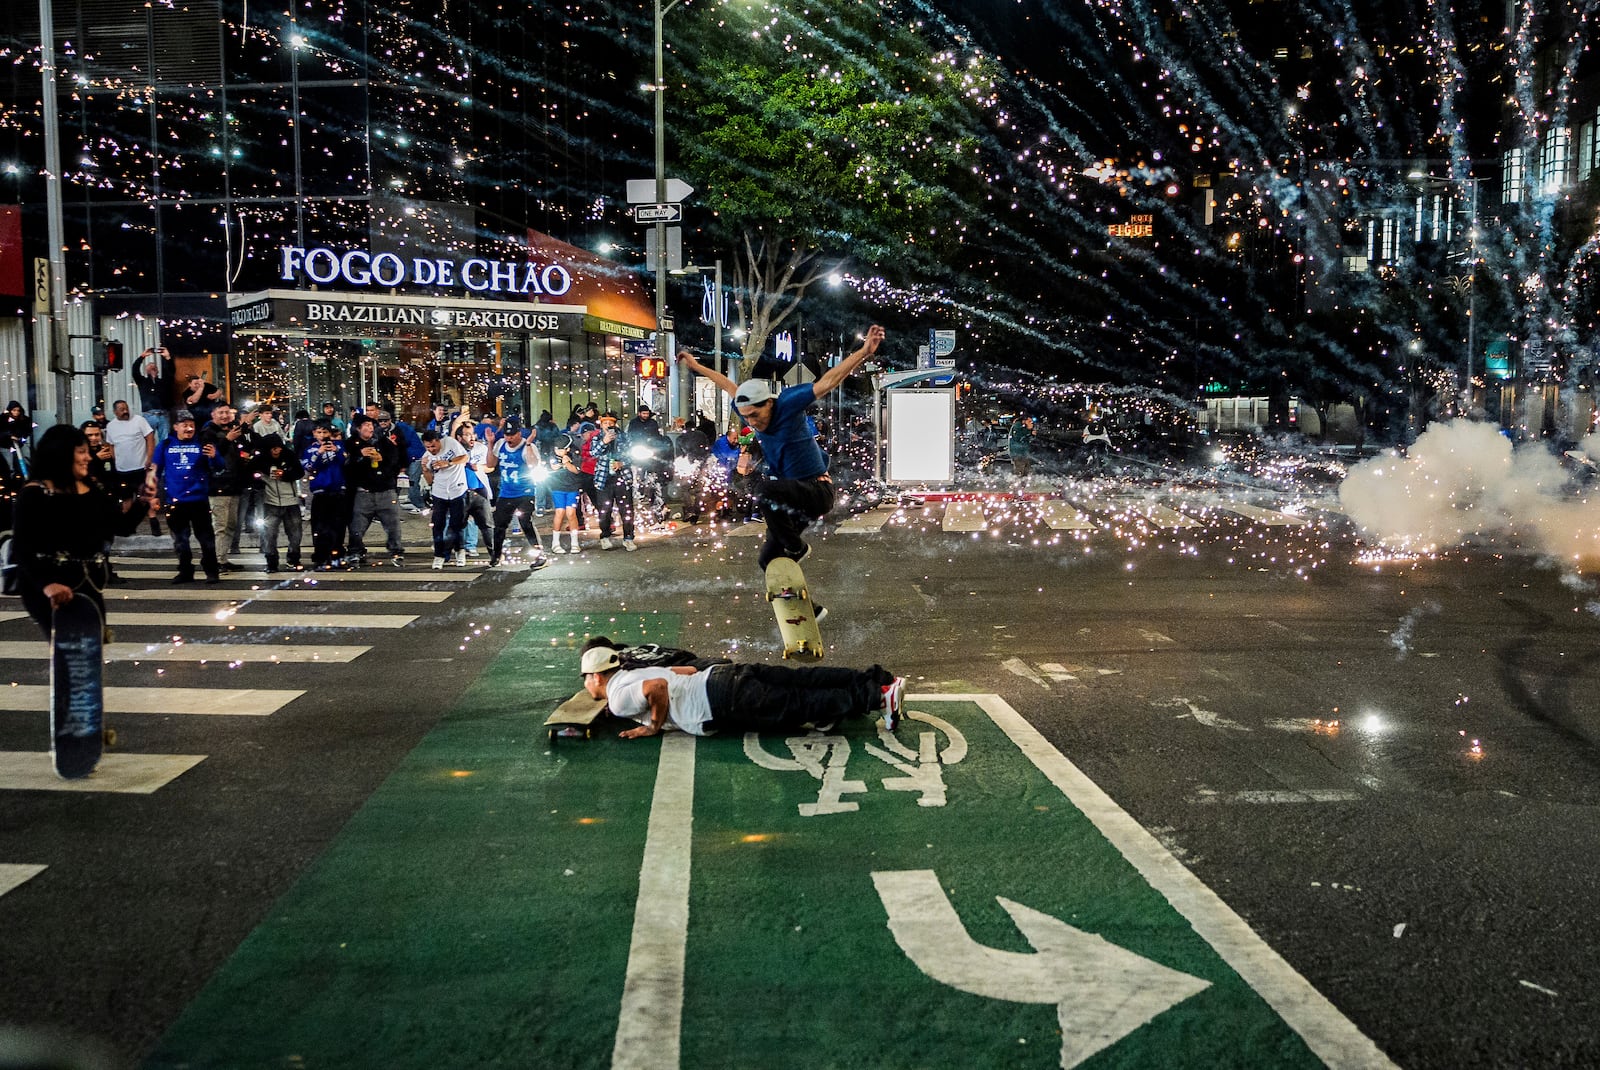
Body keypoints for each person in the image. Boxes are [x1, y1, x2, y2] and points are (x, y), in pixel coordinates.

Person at [676, 324, 884, 571]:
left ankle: (799, 548)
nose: (752, 422)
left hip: (816, 490)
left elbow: (828, 381)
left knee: (764, 490)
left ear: (769, 403)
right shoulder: (748, 410)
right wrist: (697, 367)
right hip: (791, 497)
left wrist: (863, 352)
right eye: (746, 417)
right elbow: (729, 386)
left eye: (755, 415)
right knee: (768, 560)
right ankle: (808, 609)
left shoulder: (788, 404)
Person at [579, 645, 905, 739]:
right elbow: (686, 670)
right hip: (722, 675)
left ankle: (879, 699)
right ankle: (876, 681)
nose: (585, 685)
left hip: (717, 700)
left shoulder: (619, 698)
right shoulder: (632, 671)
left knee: (798, 704)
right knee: (803, 679)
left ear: (596, 676)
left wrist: (652, 725)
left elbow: (658, 688)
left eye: (585, 678)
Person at [11, 425, 155, 637]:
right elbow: (22, 547)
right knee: (70, 656)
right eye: (81, 452)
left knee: (91, 653)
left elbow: (122, 527)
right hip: (53, 588)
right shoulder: (35, 493)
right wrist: (47, 584)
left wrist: (143, 502)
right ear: (61, 453)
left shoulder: (92, 489)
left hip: (89, 586)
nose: (88, 458)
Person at [146, 410, 221, 584]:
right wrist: (153, 495)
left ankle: (211, 570)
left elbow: (218, 467)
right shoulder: (165, 445)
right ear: (176, 427)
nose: (189, 429)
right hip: (176, 501)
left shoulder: (202, 443)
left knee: (206, 539)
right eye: (185, 425)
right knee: (180, 540)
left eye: (191, 425)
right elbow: (154, 470)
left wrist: (214, 457)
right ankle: (185, 571)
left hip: (199, 501)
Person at [483, 416, 551, 570]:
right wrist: (490, 443)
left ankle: (540, 555)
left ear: (519, 433)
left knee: (525, 522)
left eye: (512, 434)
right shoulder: (500, 444)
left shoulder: (528, 446)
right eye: (507, 434)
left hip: (525, 492)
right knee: (499, 525)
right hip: (506, 493)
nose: (509, 438)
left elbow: (533, 464)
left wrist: (527, 444)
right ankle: (496, 555)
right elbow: (490, 464)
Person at [344, 413, 406, 567]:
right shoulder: (351, 444)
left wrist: (382, 461)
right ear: (358, 428)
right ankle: (355, 552)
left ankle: (396, 552)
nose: (370, 428)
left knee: (393, 526)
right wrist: (359, 456)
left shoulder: (384, 443)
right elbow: (346, 468)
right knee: (357, 527)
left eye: (372, 425)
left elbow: (396, 461)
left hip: (385, 490)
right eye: (366, 425)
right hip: (363, 492)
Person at [199, 402, 254, 569]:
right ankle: (215, 560)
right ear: (213, 414)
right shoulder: (207, 432)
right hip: (217, 486)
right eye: (221, 412)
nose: (224, 416)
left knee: (231, 525)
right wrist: (227, 440)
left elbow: (241, 439)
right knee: (220, 526)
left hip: (234, 484)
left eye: (227, 412)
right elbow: (211, 456)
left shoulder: (231, 429)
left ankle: (222, 559)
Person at [419, 428, 470, 568]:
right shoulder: (427, 456)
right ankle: (439, 555)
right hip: (439, 492)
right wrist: (425, 468)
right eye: (427, 447)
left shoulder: (450, 443)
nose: (431, 449)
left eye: (433, 446)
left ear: (438, 441)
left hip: (458, 489)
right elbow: (429, 481)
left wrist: (448, 463)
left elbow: (465, 457)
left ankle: (460, 551)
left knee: (457, 524)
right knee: (438, 525)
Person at [301, 421, 349, 570]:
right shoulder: (310, 449)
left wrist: (337, 451)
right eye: (319, 432)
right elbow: (309, 467)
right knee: (321, 527)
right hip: (320, 492)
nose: (322, 436)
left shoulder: (339, 446)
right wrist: (319, 453)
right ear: (314, 434)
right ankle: (321, 556)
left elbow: (346, 463)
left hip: (338, 491)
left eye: (325, 433)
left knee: (338, 526)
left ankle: (337, 554)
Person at [254, 434, 304, 572]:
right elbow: (250, 475)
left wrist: (285, 474)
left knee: (295, 533)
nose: (277, 451)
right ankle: (271, 562)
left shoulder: (289, 455)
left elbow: (299, 472)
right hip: (271, 502)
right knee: (269, 534)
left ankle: (293, 558)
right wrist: (259, 479)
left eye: (279, 448)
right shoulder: (260, 460)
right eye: (274, 448)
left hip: (291, 501)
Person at [589, 412, 636, 551]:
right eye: (605, 423)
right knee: (604, 510)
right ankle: (605, 536)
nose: (608, 426)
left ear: (615, 424)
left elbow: (633, 454)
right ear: (601, 424)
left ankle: (628, 538)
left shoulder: (624, 437)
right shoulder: (597, 437)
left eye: (611, 423)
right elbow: (593, 453)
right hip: (603, 479)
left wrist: (622, 463)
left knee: (626, 509)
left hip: (622, 477)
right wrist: (605, 441)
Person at [543, 430, 586, 554]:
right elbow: (552, 467)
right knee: (560, 512)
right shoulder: (552, 456)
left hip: (572, 488)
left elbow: (576, 470)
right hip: (557, 488)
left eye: (561, 449)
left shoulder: (575, 455)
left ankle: (575, 543)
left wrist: (567, 462)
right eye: (557, 449)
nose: (558, 451)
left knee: (571, 513)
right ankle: (555, 543)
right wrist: (556, 464)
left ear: (567, 449)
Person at [455, 424, 495, 558]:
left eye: (473, 434)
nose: (471, 437)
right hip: (460, 490)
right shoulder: (455, 450)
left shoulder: (481, 448)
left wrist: (479, 467)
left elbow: (490, 467)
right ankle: (456, 548)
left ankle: (476, 547)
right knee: (459, 521)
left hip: (479, 489)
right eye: (467, 434)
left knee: (485, 523)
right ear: (459, 437)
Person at [104, 400, 155, 503]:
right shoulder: (110, 426)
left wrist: (149, 458)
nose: (125, 411)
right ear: (115, 412)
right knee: (126, 497)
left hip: (140, 467)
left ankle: (151, 518)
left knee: (144, 496)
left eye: (126, 408)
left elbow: (150, 438)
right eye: (122, 410)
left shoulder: (139, 420)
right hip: (122, 470)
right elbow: (111, 445)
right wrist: (115, 460)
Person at [132, 345, 175, 443]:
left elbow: (171, 372)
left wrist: (168, 358)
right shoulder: (142, 381)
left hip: (163, 414)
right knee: (147, 441)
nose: (152, 367)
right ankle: (149, 458)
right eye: (150, 366)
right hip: (149, 415)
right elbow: (135, 370)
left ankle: (162, 458)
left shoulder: (163, 382)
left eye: (154, 366)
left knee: (165, 441)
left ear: (158, 370)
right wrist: (142, 356)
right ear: (146, 370)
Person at [0, 400, 33, 471]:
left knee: (25, 461)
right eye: (14, 410)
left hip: (19, 444)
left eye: (18, 410)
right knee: (9, 465)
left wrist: (21, 437)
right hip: (6, 446)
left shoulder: (23, 419)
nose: (16, 412)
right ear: (10, 410)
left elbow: (28, 430)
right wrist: (9, 436)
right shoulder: (4, 418)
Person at [1008, 414, 1035, 480]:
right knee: (1019, 471)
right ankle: (1016, 487)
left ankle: (1021, 486)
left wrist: (1031, 434)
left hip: (1023, 452)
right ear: (1024, 421)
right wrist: (1029, 431)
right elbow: (1019, 437)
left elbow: (1027, 440)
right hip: (1018, 453)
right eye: (1029, 421)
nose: (1031, 423)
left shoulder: (1022, 427)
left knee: (1026, 471)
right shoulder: (1017, 426)